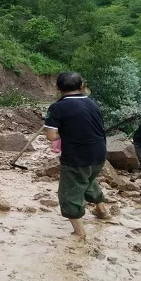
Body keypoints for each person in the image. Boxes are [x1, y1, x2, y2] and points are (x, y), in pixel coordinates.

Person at [44, 72, 110, 239]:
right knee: (88, 179)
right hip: (99, 154)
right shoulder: (92, 103)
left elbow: (51, 136)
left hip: (77, 157)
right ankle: (102, 211)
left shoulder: (57, 108)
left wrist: (63, 133)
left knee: (69, 192)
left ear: (57, 88)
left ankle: (79, 233)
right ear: (81, 86)